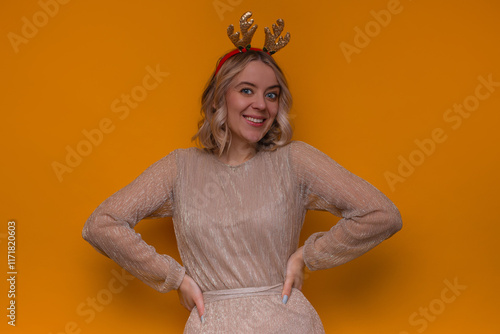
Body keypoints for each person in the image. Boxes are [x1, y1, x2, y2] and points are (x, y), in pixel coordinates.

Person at [82, 11, 402, 333]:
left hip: (287, 323)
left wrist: (308, 255)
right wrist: (174, 278)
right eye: (247, 90)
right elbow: (102, 224)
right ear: (219, 99)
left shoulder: (294, 162)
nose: (261, 104)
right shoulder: (181, 168)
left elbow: (380, 213)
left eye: (271, 94)